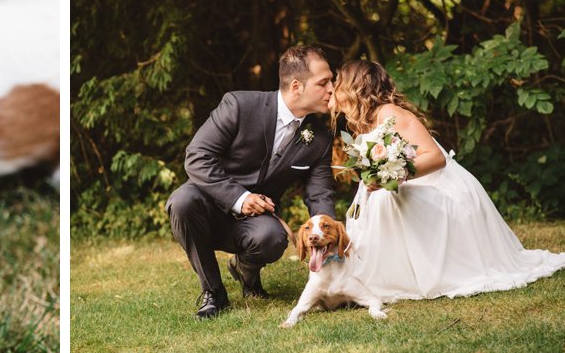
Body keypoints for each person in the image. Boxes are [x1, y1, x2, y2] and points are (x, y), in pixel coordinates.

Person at [330, 60, 565, 301]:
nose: (334, 86)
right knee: (383, 198)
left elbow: (435, 158)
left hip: (443, 189)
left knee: (388, 198)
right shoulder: (367, 119)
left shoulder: (388, 113)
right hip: (415, 182)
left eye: (339, 81)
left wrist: (391, 176)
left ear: (355, 87)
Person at [167, 45, 337, 319]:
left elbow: (321, 192)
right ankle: (214, 293)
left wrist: (328, 232)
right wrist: (240, 198)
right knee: (181, 201)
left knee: (272, 238)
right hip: (207, 207)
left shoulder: (318, 137)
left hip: (257, 222)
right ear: (297, 86)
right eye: (324, 82)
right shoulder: (239, 105)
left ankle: (245, 269)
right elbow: (197, 157)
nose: (332, 88)